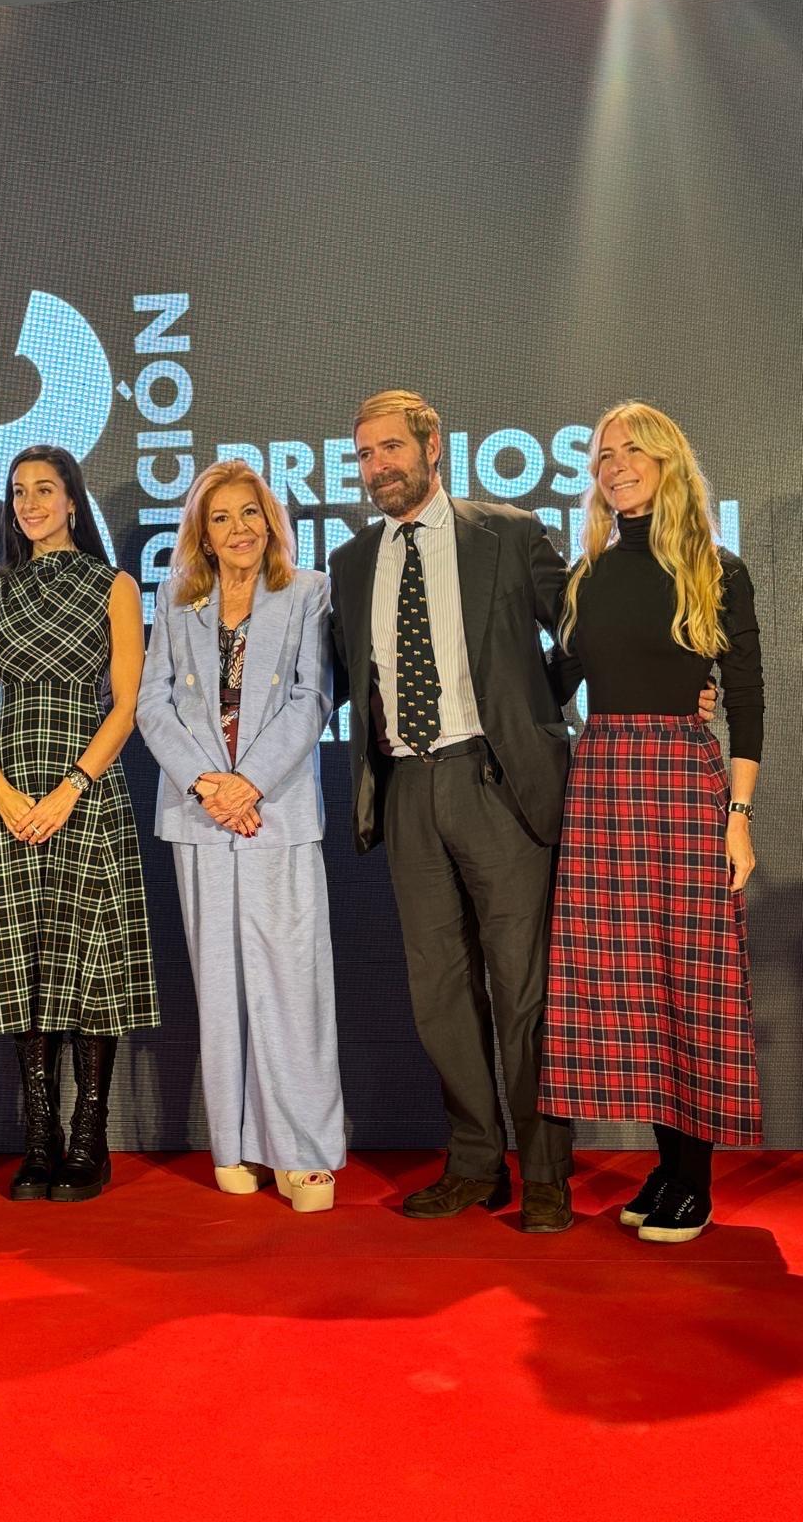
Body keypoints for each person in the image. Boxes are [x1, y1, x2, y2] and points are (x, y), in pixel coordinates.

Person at [329, 390, 577, 1232]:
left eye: (391, 449)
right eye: (364, 456)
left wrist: (539, 711)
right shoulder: (355, 559)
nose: (377, 469)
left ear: (434, 448)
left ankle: (544, 1172)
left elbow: (578, 632)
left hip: (494, 782)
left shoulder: (506, 532)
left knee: (523, 991)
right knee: (438, 993)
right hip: (405, 788)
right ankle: (475, 1162)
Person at [540, 403, 762, 1244]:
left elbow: (747, 700)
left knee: (690, 978)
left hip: (683, 780)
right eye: (604, 454)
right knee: (628, 983)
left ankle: (693, 1178)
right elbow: (552, 681)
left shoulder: (718, 567)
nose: (617, 464)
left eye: (634, 450)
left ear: (669, 461)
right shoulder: (586, 575)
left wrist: (737, 817)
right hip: (602, 781)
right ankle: (665, 1168)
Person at [137, 460, 345, 1212]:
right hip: (200, 819)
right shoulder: (177, 597)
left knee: (292, 984)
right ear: (201, 530)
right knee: (219, 984)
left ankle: (305, 1152)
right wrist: (206, 786)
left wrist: (246, 784)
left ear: (271, 521)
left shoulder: (309, 592)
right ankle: (236, 1143)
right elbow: (152, 703)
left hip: (276, 814)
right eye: (220, 517)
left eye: (250, 514)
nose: (238, 531)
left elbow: (312, 695)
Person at [0, 445, 157, 1202]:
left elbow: (127, 706)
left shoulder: (115, 586)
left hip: (86, 794)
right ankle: (37, 1139)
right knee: (23, 964)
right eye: (19, 492)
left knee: (90, 966)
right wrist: (0, 789)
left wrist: (72, 786)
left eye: (46, 489)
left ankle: (89, 1141)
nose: (31, 503)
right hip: (7, 794)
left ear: (72, 500)